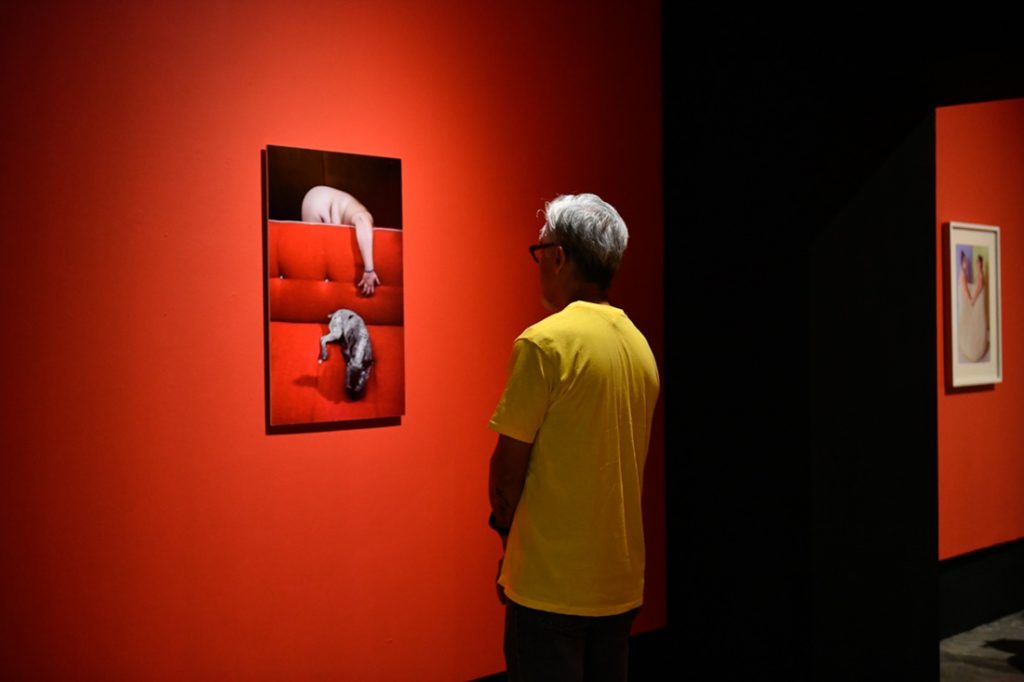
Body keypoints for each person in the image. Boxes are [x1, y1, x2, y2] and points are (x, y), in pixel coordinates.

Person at [487, 193, 660, 682]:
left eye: (540, 252)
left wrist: (506, 542)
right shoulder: (639, 347)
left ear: (559, 256)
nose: (539, 265)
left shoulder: (544, 344)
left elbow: (506, 472)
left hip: (550, 588)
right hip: (618, 585)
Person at [301, 185, 380, 296]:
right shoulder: (363, 214)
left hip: (317, 200)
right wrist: (369, 269)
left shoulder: (352, 211)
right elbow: (362, 220)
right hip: (320, 202)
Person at [957, 250, 988, 362]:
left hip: (973, 301)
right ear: (962, 263)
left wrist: (972, 299)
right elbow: (965, 289)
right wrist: (971, 299)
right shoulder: (962, 275)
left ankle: (977, 346)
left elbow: (978, 287)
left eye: (978, 263)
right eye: (965, 261)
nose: (967, 263)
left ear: (981, 264)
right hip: (967, 302)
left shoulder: (980, 275)